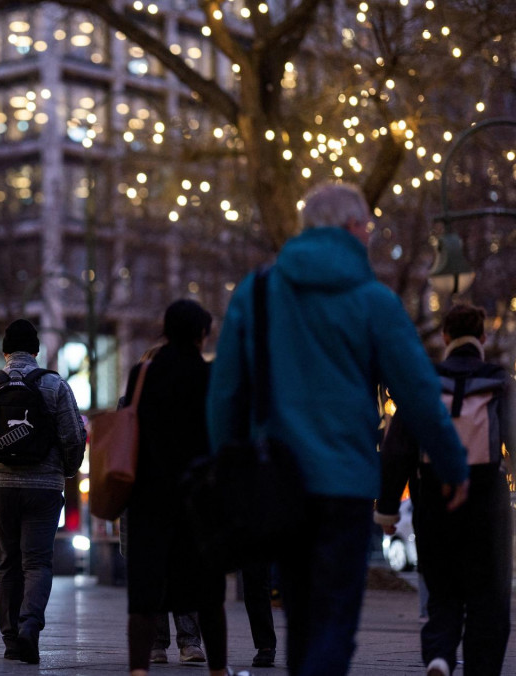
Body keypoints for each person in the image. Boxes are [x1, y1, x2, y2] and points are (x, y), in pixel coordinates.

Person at [207, 181, 470, 676]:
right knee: (335, 621)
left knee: (302, 619)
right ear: (351, 228)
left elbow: (225, 395)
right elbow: (416, 392)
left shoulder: (257, 293)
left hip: (278, 482)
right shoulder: (373, 300)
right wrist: (452, 462)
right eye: (366, 227)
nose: (369, 236)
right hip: (344, 483)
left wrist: (229, 467)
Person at [377, 303, 514, 676]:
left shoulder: (425, 380)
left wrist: (388, 510)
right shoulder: (499, 381)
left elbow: (397, 448)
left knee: (442, 589)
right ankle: (481, 667)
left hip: (434, 495)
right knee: (489, 598)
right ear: (483, 337)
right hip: (487, 497)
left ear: (445, 337)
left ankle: (438, 654)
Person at [124, 300, 244, 676]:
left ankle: (139, 669)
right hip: (198, 498)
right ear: (201, 334)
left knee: (145, 592)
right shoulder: (211, 378)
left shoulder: (141, 374)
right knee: (208, 592)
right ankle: (218, 669)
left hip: (149, 496)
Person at [0, 318, 86, 665]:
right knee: (38, 562)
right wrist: (66, 471)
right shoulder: (55, 385)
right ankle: (30, 626)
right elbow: (75, 436)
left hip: (2, 487)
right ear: (36, 350)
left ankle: (11, 640)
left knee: (8, 562)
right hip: (45, 488)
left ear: (4, 352)